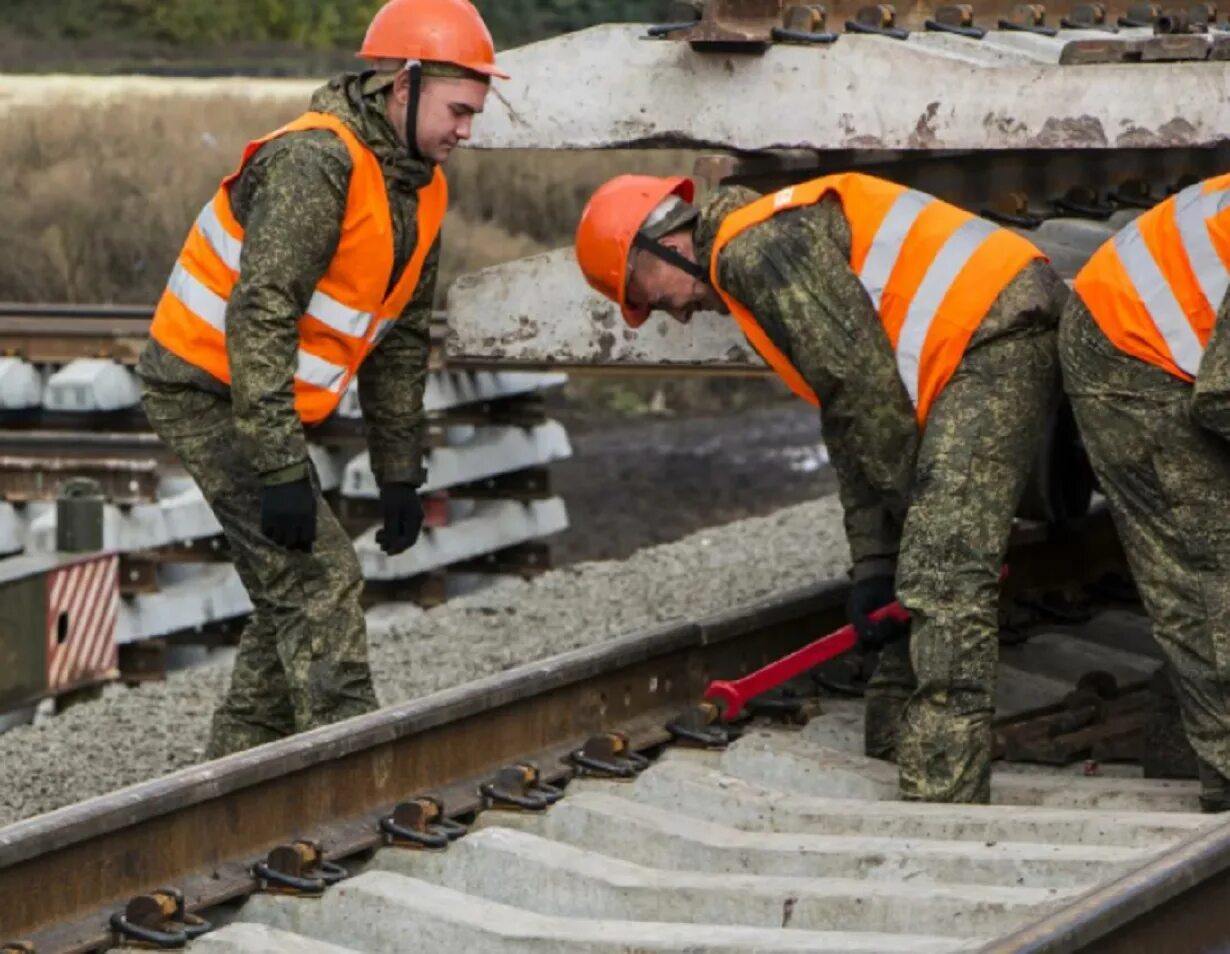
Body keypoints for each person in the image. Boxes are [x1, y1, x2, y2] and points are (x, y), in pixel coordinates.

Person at [574, 172, 1068, 802]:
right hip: (967, 338)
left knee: (943, 567)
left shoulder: (755, 250)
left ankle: (944, 795)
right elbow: (847, 414)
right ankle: (896, 736)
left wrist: (912, 530)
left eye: (642, 291)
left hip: (998, 325)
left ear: (662, 241)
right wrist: (875, 561)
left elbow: (865, 396)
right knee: (911, 565)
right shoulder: (752, 252)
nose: (669, 312)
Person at [135, 0, 506, 759]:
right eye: (459, 109)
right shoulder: (316, 162)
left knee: (291, 597)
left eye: (475, 113)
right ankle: (350, 775)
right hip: (205, 389)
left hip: (261, 401)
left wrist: (401, 472)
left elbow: (399, 339)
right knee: (322, 580)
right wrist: (278, 468)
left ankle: (235, 775)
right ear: (403, 85)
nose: (467, 131)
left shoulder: (419, 186)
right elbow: (261, 315)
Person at [1063, 172, 1230, 812]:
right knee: (1206, 562)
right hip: (1130, 349)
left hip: (1182, 342)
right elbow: (1222, 397)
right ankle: (1222, 766)